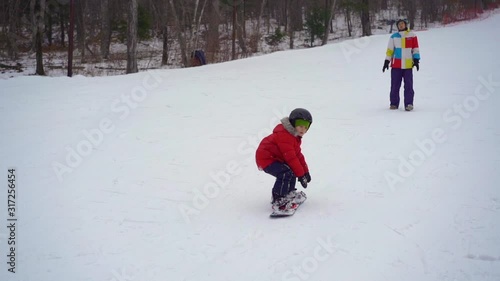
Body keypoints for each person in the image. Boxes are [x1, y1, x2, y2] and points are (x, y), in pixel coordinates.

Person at [255, 108, 312, 213]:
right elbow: (291, 158)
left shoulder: (294, 137)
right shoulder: (286, 136)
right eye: (300, 125)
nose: (303, 129)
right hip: (266, 158)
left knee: (291, 170)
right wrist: (300, 175)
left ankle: (288, 193)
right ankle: (279, 199)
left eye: (306, 127)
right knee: (285, 173)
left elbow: (298, 155)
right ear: (293, 124)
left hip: (276, 157)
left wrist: (305, 172)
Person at [383, 19, 420, 111]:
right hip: (396, 65)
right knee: (395, 85)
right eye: (399, 24)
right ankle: (394, 104)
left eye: (402, 24)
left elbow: (415, 48)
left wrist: (416, 60)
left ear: (405, 25)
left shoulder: (412, 35)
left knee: (408, 85)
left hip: (408, 65)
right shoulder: (394, 37)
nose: (401, 25)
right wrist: (387, 61)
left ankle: (409, 104)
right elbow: (390, 50)